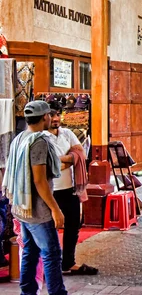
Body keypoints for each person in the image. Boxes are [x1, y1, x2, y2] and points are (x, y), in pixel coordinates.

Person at [2, 101, 67, 295]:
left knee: (30, 251)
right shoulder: (39, 142)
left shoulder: (21, 137)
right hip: (37, 210)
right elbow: (39, 181)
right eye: (50, 115)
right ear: (45, 116)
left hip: (22, 206)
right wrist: (55, 209)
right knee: (52, 254)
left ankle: (28, 292)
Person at [46, 110, 97, 275]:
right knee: (49, 229)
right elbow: (48, 161)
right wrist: (69, 158)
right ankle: (51, 265)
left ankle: (68, 262)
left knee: (73, 226)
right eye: (51, 116)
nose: (55, 119)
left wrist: (62, 159)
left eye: (57, 116)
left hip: (70, 189)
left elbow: (80, 153)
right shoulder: (41, 138)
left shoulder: (67, 133)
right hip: (50, 190)